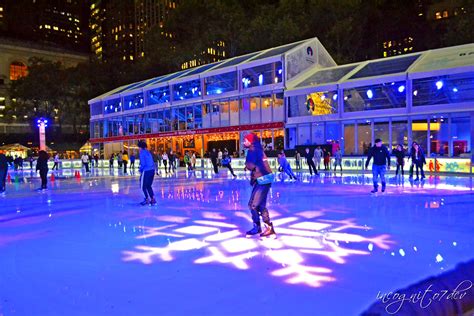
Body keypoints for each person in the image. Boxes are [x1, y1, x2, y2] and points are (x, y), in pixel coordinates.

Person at [244, 133, 276, 238]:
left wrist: (247, 164)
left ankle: (257, 227)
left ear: (251, 141)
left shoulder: (252, 150)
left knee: (252, 205)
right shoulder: (259, 149)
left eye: (246, 140)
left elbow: (250, 165)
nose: (244, 142)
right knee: (261, 205)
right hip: (266, 179)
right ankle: (268, 228)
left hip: (262, 180)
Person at [138, 141, 156, 206]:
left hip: (146, 171)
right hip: (152, 170)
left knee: (143, 186)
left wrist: (140, 169)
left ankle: (147, 199)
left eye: (138, 147)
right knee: (148, 186)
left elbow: (143, 164)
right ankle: (153, 199)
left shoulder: (142, 153)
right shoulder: (148, 152)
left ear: (140, 147)